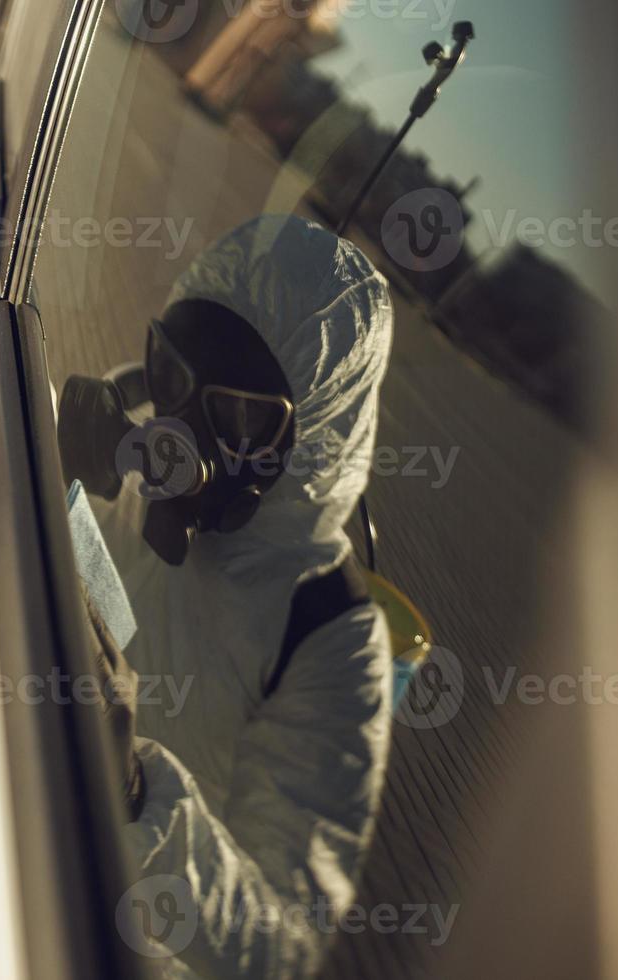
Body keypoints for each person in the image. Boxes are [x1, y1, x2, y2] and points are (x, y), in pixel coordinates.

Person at [73, 215, 395, 978]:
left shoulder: (331, 639)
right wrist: (42, 476)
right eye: (171, 374)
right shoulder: (107, 462)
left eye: (239, 419)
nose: (175, 430)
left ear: (314, 438)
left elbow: (280, 951)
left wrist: (134, 798)